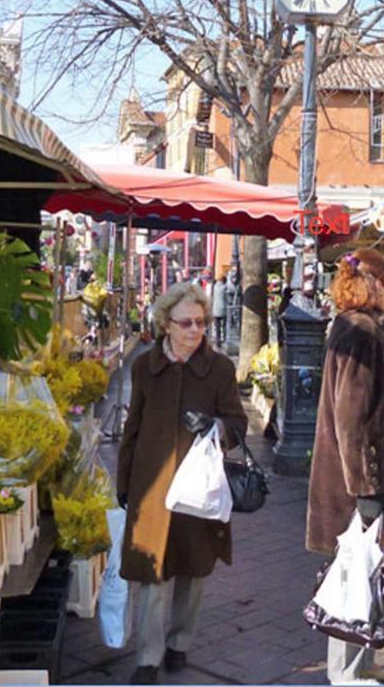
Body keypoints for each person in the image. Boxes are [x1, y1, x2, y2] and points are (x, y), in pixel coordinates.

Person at [116, 281, 249, 685]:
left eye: (202, 322)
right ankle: (148, 656)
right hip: (152, 484)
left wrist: (218, 427)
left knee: (194, 568)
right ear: (166, 324)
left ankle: (179, 644)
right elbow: (132, 426)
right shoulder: (144, 367)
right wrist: (125, 483)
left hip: (199, 486)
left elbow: (239, 424)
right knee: (153, 570)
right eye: (187, 322)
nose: (196, 330)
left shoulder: (220, 368)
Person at [307, 248, 384, 685]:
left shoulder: (359, 330)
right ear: (376, 285)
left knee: (367, 572)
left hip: (364, 480)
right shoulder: (359, 334)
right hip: (356, 487)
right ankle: (346, 674)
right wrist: (366, 492)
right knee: (353, 574)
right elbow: (352, 420)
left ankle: (362, 663)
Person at [211, 274, 228, 345]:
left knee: (217, 326)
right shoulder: (224, 287)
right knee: (224, 325)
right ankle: (224, 339)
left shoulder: (214, 287)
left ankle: (217, 340)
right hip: (223, 309)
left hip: (215, 309)